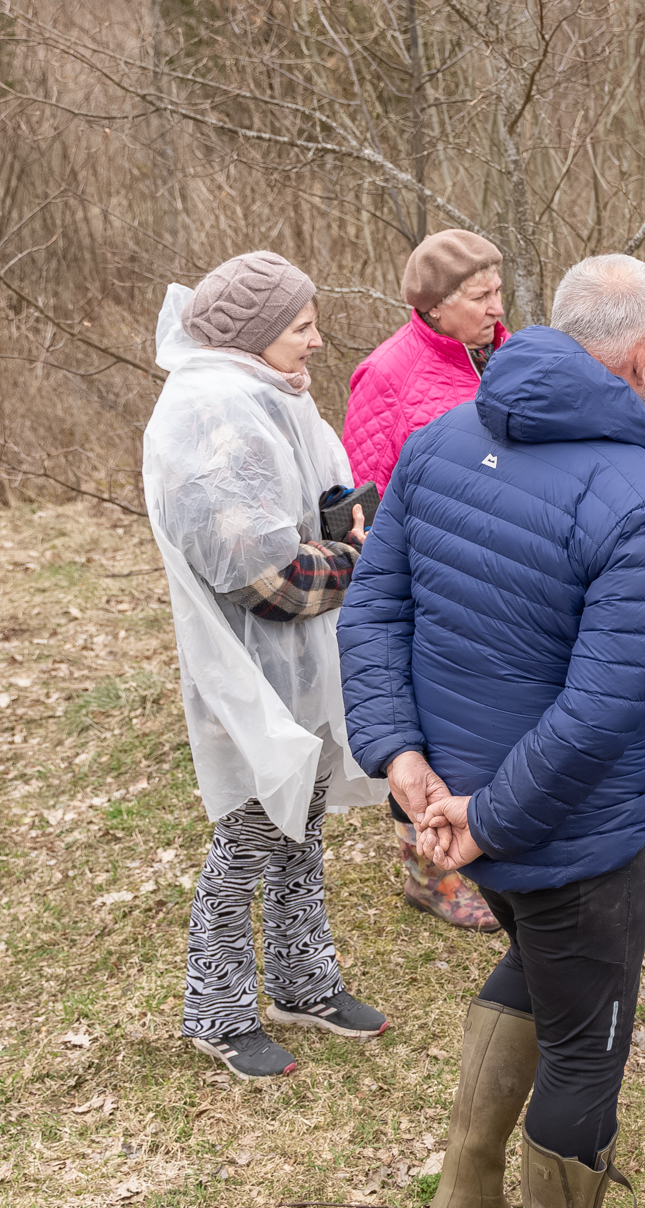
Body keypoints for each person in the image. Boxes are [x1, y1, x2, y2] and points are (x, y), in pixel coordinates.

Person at [338, 253, 645, 1208]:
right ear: (641, 357)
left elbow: (370, 610)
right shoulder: (639, 491)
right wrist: (472, 814)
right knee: (588, 1033)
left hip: (462, 806)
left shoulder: (445, 440)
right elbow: (602, 709)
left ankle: (465, 1205)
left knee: (533, 966)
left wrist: (412, 776)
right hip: (560, 828)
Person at [141, 251, 393, 1080]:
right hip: (249, 670)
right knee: (248, 836)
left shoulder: (270, 396)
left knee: (302, 825)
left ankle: (303, 983)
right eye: (301, 326)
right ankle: (216, 1010)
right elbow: (269, 581)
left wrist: (337, 530)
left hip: (300, 667)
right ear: (254, 336)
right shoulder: (216, 418)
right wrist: (354, 554)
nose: (318, 341)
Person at [341, 228, 510, 933]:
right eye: (481, 296)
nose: (497, 307)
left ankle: (479, 842)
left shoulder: (506, 355)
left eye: (499, 291)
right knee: (424, 719)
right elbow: (366, 492)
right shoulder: (388, 374)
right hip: (423, 571)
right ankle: (428, 871)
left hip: (500, 563)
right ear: (435, 307)